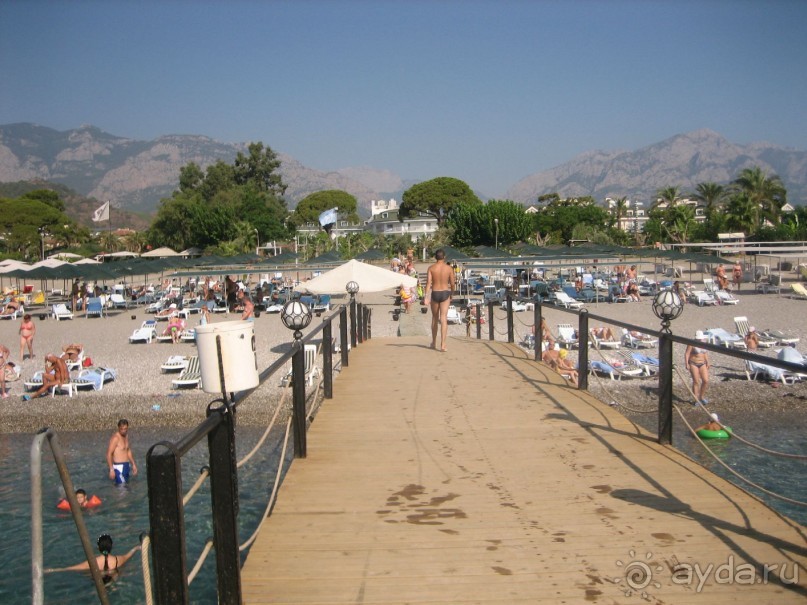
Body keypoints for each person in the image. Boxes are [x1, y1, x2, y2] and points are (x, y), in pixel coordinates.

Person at [46, 534, 139, 582]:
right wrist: (136, 548)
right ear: (111, 546)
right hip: (113, 580)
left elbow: (72, 568)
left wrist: (53, 570)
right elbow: (129, 555)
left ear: (98, 548)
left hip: (97, 582)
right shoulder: (118, 560)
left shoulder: (93, 562)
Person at [425, 249, 456, 352]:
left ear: (435, 257)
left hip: (435, 293)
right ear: (444, 257)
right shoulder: (449, 268)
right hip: (444, 293)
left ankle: (434, 342)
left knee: (434, 318)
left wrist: (426, 296)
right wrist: (452, 293)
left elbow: (428, 283)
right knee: (443, 318)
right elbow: (452, 283)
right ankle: (443, 345)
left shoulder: (431, 268)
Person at [107, 419, 137, 484]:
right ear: (118, 428)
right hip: (118, 468)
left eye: (125, 429)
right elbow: (109, 454)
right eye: (121, 429)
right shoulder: (115, 438)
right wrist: (111, 469)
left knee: (126, 486)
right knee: (122, 488)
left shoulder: (126, 436)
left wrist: (133, 464)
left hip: (126, 466)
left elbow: (128, 450)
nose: (123, 431)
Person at [685, 331, 711, 405]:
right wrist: (687, 364)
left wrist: (708, 361)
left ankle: (701, 397)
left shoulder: (704, 342)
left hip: (702, 363)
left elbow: (704, 353)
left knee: (705, 380)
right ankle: (696, 399)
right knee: (696, 381)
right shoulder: (691, 343)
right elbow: (687, 353)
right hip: (693, 363)